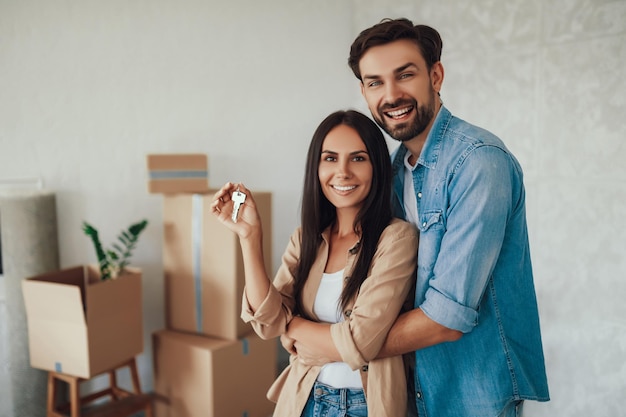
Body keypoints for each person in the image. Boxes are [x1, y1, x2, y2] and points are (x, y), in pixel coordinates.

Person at [289, 18, 550, 417]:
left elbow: (446, 318)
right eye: (375, 82)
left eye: (405, 75)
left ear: (436, 75)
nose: (391, 95)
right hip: (409, 391)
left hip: (470, 394)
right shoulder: (391, 174)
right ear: (363, 91)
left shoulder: (478, 162)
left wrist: (327, 341)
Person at [211, 109, 419, 417]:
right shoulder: (305, 239)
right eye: (330, 158)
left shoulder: (396, 239)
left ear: (377, 168)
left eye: (358, 158)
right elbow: (268, 324)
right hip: (304, 398)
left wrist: (292, 324)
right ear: (316, 167)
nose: (343, 172)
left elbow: (359, 342)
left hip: (366, 404)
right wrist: (249, 237)